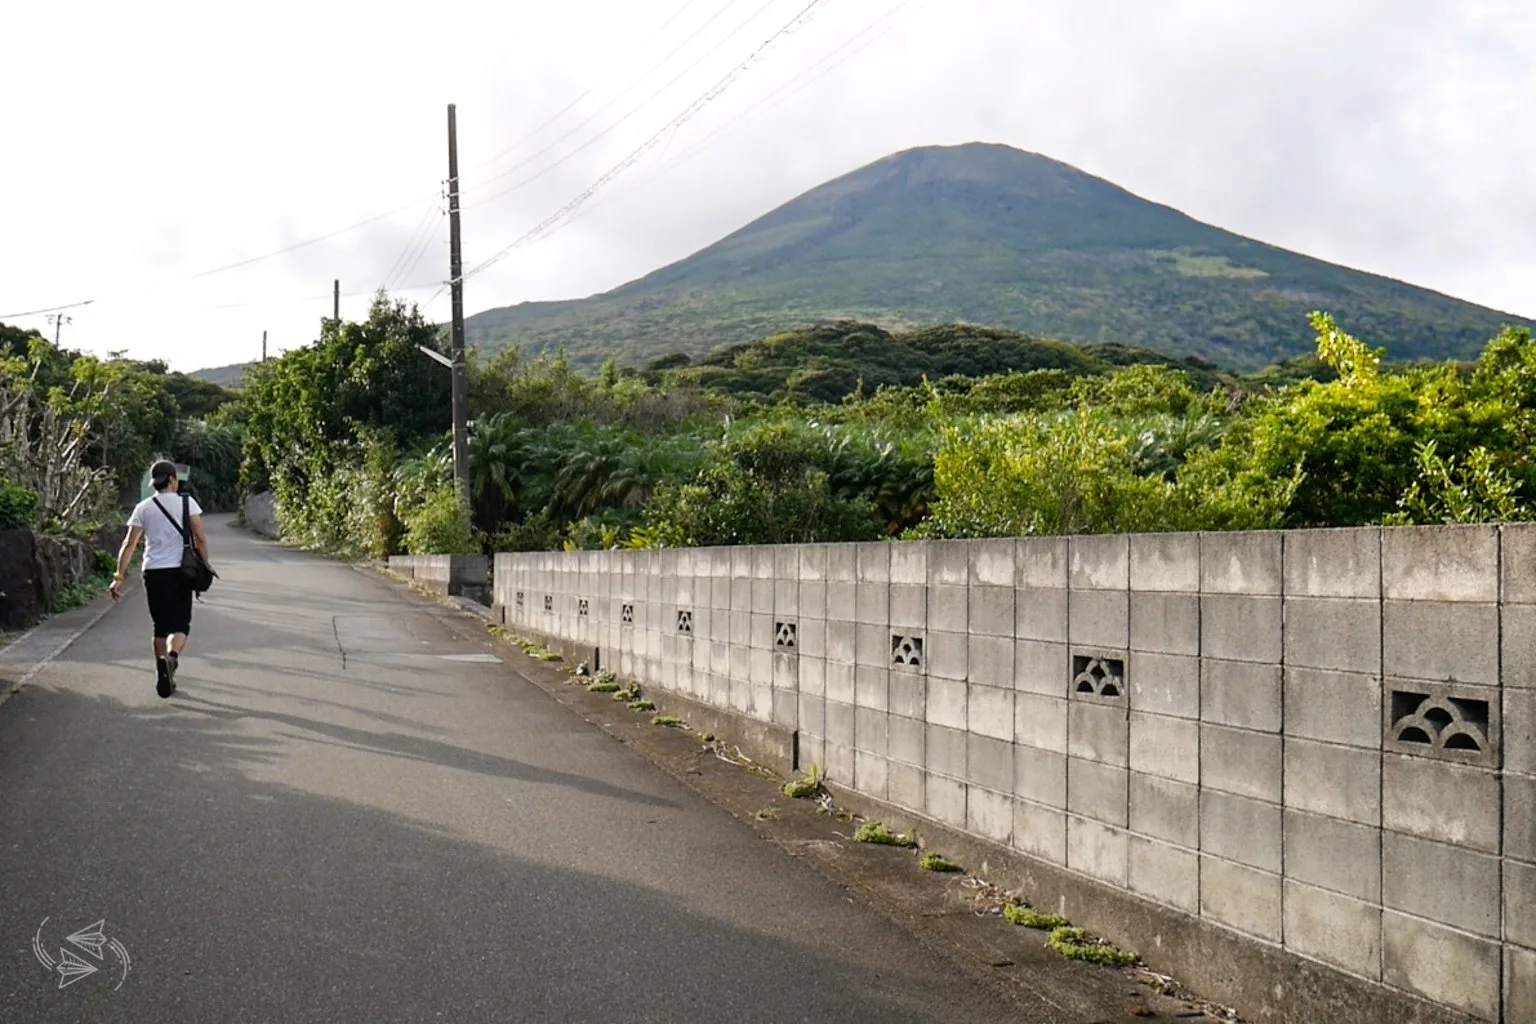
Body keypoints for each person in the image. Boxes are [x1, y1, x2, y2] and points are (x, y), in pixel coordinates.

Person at [109, 460, 212, 698]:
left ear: (153, 482)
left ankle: (161, 668)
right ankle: (172, 659)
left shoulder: (143, 508)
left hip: (153, 572)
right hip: (181, 571)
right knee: (181, 624)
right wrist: (204, 565)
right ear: (173, 480)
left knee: (160, 627)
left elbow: (129, 543)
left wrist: (119, 576)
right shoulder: (188, 503)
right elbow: (200, 538)